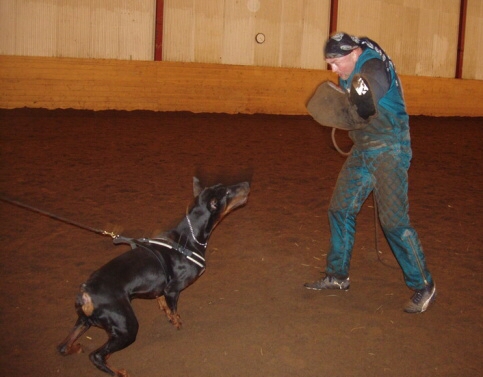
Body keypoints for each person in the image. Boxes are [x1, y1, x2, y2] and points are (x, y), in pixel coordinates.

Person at [304, 32, 436, 313]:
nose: (333, 69)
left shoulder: (373, 68)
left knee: (394, 222)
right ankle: (338, 276)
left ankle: (423, 284)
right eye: (330, 63)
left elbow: (361, 108)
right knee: (340, 208)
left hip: (390, 148)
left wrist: (338, 111)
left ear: (354, 53)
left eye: (336, 62)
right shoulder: (351, 69)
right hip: (365, 147)